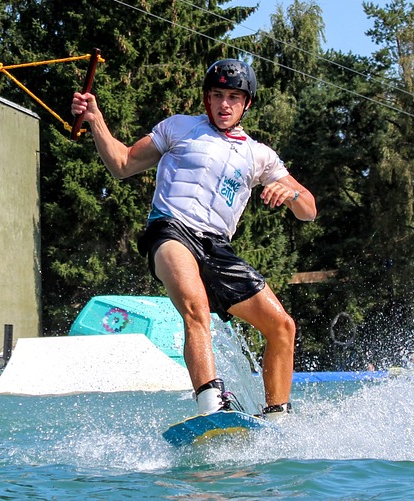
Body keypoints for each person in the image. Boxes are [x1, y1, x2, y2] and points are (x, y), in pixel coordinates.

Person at [71, 58, 317, 419]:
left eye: (234, 97)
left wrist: (291, 194)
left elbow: (309, 210)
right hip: (170, 230)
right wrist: (96, 120)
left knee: (282, 327)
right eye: (217, 95)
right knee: (196, 307)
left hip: (217, 246)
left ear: (246, 103)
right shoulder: (179, 128)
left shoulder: (259, 155)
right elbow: (122, 164)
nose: (224, 105)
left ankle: (277, 417)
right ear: (207, 98)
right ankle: (211, 406)